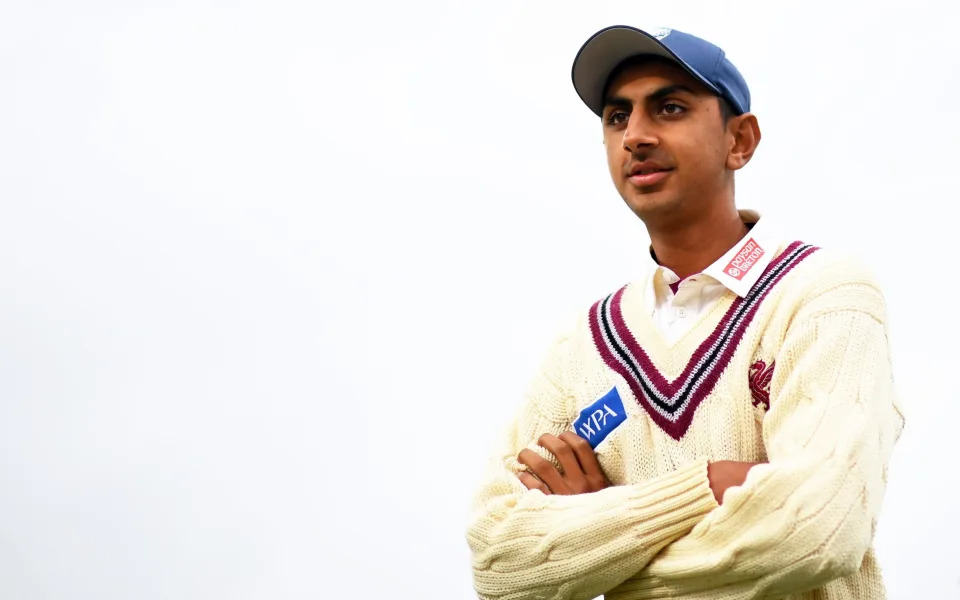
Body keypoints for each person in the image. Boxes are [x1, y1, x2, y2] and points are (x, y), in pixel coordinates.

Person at [465, 25, 904, 600]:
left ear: (740, 141)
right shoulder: (582, 345)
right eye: (617, 117)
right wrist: (707, 487)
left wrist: (598, 535)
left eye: (669, 107)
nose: (636, 136)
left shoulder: (822, 292)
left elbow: (817, 530)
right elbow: (499, 562)